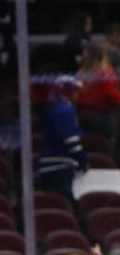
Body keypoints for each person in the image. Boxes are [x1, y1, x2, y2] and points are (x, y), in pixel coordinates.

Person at [36, 76, 86, 207]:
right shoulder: (64, 110)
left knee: (56, 204)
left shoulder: (55, 107)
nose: (77, 93)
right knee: (62, 205)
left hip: (53, 166)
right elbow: (71, 141)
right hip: (58, 167)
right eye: (74, 90)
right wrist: (82, 161)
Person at [75, 43, 120, 144]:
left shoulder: (79, 73)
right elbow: (114, 98)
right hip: (102, 119)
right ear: (103, 57)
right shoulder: (105, 74)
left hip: (82, 118)